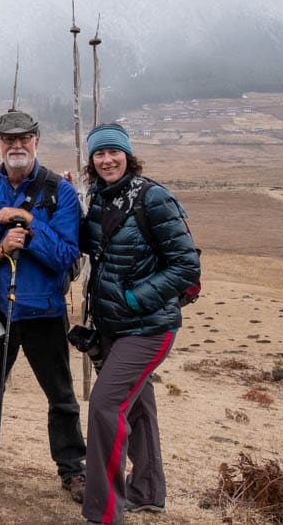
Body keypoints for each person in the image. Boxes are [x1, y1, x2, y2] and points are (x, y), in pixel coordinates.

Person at [0, 110, 87, 503]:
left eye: (24, 139)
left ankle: (73, 469)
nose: (17, 146)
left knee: (60, 395)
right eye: (9, 140)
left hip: (44, 311)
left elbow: (66, 255)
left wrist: (28, 222)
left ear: (37, 142)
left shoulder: (61, 192)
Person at [78, 123, 200, 524]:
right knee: (139, 410)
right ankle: (147, 491)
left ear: (128, 156)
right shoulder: (98, 199)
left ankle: (104, 510)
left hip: (149, 327)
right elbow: (87, 245)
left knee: (105, 405)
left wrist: (135, 298)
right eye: (99, 154)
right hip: (114, 327)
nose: (107, 160)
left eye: (114, 152)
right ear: (91, 162)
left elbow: (186, 265)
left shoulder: (154, 198)